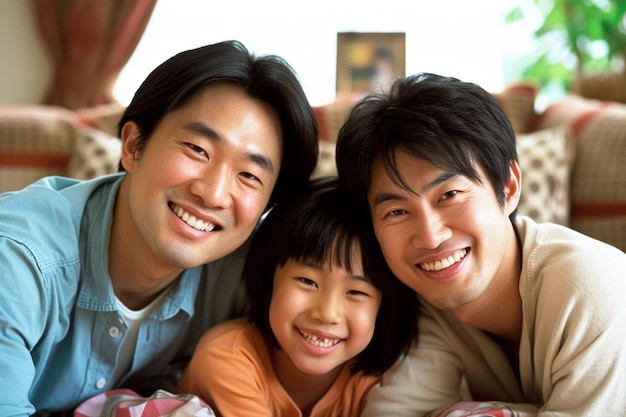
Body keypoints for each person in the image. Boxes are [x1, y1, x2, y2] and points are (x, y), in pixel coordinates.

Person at [0, 40, 319, 416]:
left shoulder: (250, 274)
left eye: (249, 175)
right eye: (197, 149)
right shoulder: (20, 261)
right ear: (134, 145)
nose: (214, 194)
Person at [334, 72, 626, 416]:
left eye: (450, 194)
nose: (430, 237)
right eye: (397, 211)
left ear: (508, 187)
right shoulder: (427, 306)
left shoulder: (591, 283)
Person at [175, 176, 419, 417]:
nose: (327, 313)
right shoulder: (227, 357)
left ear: (384, 306)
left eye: (356, 292)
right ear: (270, 277)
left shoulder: (380, 382)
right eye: (307, 281)